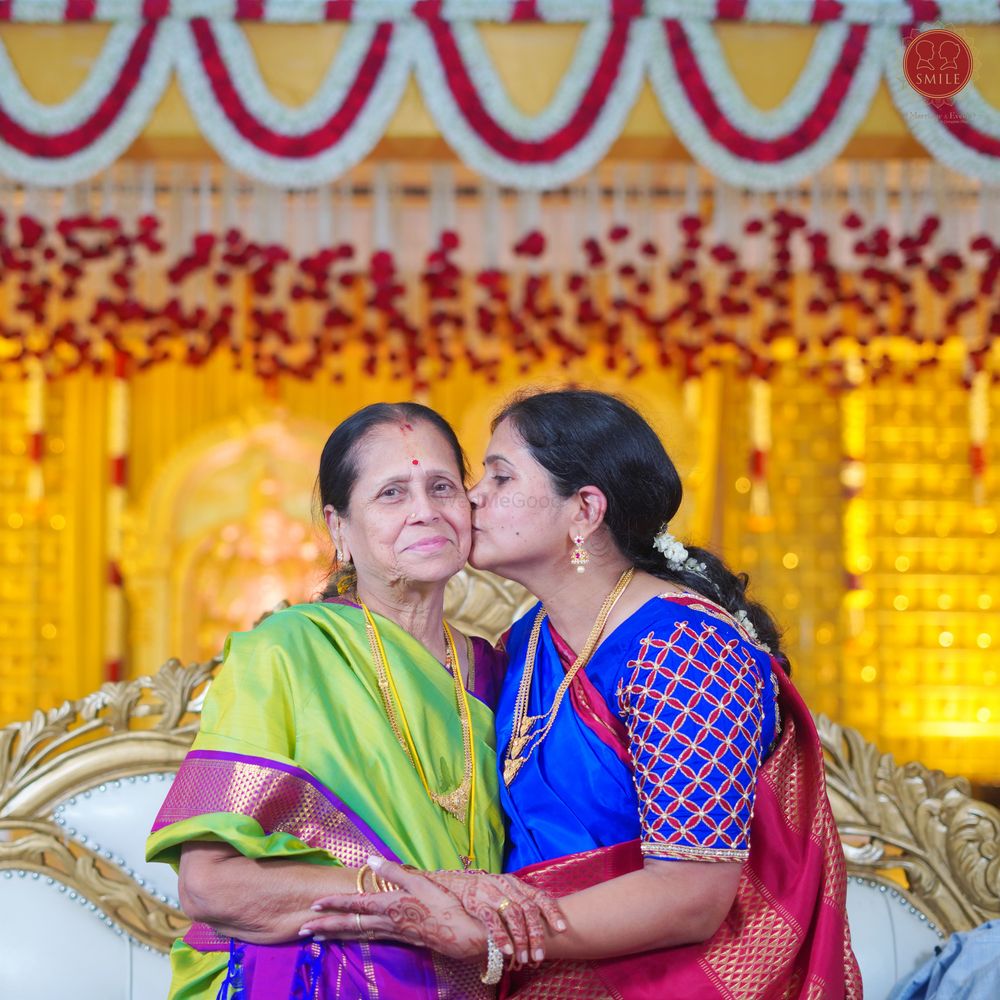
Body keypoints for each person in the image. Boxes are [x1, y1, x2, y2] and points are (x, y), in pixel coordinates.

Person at [304, 388, 862, 998]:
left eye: (499, 477)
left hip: (676, 980)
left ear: (584, 511)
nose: (472, 497)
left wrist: (487, 933)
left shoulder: (685, 649)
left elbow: (692, 896)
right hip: (530, 974)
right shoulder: (527, 642)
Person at [146, 402, 564, 1000]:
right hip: (314, 981)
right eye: (392, 493)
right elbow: (211, 887)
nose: (425, 511)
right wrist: (415, 892)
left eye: (442, 487)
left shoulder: (504, 671)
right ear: (339, 528)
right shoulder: (286, 654)